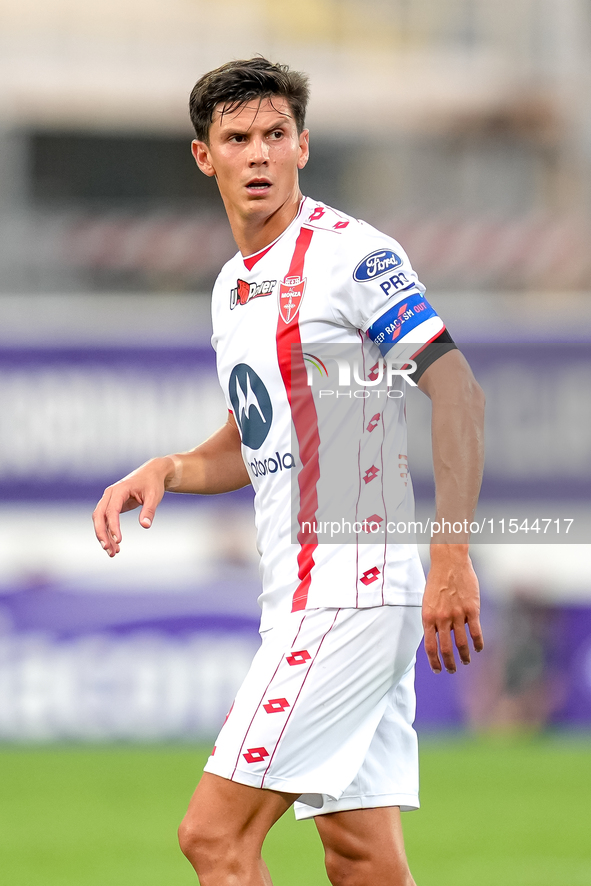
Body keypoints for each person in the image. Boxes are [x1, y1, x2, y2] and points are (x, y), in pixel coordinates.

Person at [93, 57, 485, 886]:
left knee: (214, 838)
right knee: (360, 857)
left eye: (275, 135)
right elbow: (254, 438)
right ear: (206, 157)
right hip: (305, 595)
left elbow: (456, 391)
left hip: (353, 586)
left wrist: (450, 554)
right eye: (237, 138)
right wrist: (168, 466)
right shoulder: (232, 287)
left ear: (303, 146)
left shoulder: (352, 256)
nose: (259, 154)